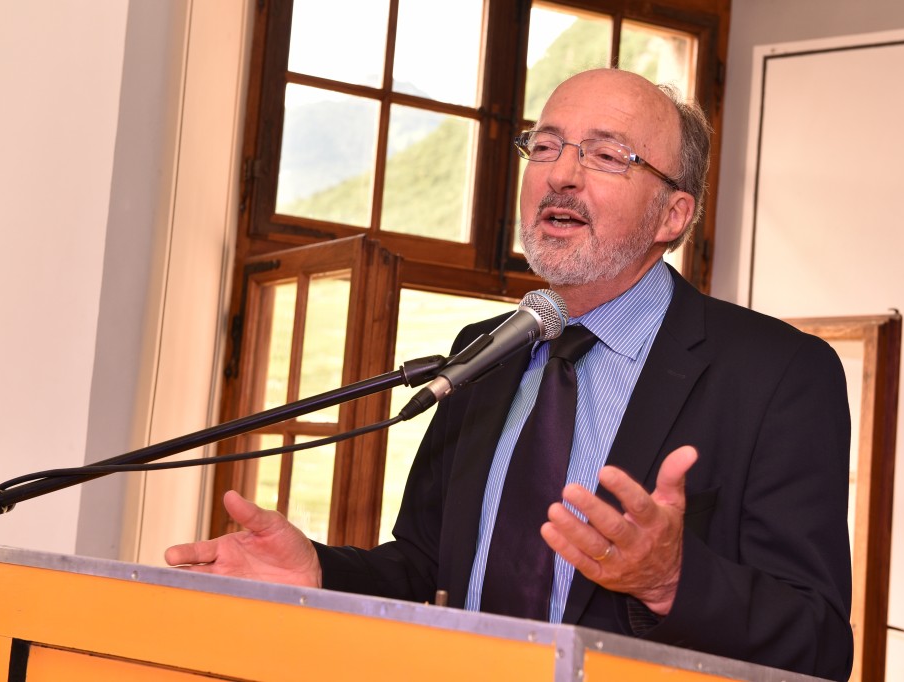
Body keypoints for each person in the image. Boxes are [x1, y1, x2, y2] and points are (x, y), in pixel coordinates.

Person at [166, 68, 853, 681]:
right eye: (546, 145)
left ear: (672, 215)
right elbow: (427, 569)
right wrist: (318, 573)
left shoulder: (779, 375)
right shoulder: (487, 351)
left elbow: (820, 643)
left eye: (607, 155)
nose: (560, 174)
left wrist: (672, 581)